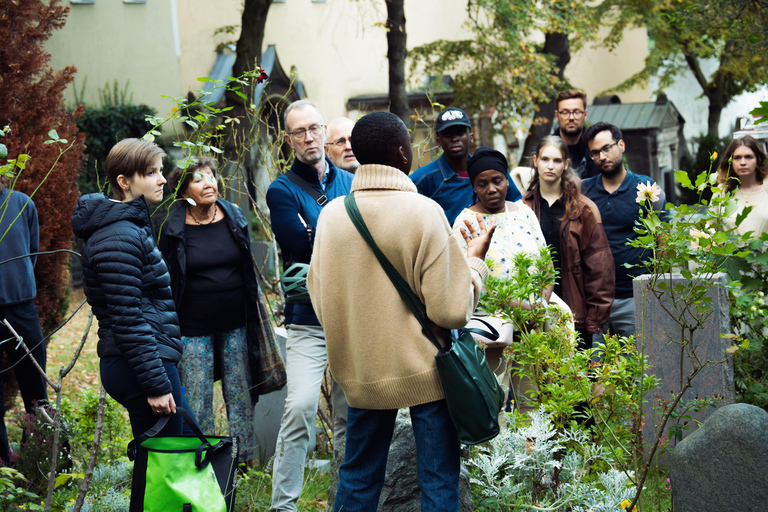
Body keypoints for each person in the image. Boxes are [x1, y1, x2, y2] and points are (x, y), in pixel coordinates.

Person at [307, 111, 495, 512]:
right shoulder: (424, 212)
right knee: (438, 481)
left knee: (358, 479)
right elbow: (450, 311)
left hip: (362, 371)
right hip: (426, 372)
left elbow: (320, 299)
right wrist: (475, 264)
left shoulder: (332, 215)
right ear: (402, 152)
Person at [71, 138, 196, 438]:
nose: (162, 179)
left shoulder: (129, 227)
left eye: (161, 170)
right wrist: (155, 385)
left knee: (180, 450)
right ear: (124, 182)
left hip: (143, 359)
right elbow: (127, 317)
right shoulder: (118, 238)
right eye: (151, 172)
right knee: (169, 458)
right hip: (138, 364)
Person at [158, 157, 276, 463]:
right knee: (198, 400)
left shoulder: (234, 215)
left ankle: (244, 460)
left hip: (236, 324)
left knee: (240, 396)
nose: (208, 183)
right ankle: (206, 462)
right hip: (193, 328)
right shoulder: (172, 226)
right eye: (197, 179)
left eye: (210, 176)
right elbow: (168, 279)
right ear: (184, 191)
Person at [266, 100, 352, 512]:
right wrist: (339, 232)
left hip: (353, 316)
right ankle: (283, 506)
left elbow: (363, 240)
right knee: (299, 407)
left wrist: (316, 228)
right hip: (307, 319)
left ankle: (348, 500)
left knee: (351, 415)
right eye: (299, 132)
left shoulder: (352, 181)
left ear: (324, 130)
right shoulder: (281, 190)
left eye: (314, 128)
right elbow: (297, 245)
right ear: (289, 140)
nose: (309, 137)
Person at [523, 136, 615, 349]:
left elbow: (600, 268)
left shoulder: (583, 209)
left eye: (557, 160)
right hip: (533, 315)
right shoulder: (523, 208)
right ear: (535, 161)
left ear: (565, 164)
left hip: (575, 314)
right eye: (545, 159)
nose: (550, 166)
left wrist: (594, 319)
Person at [581, 122, 666, 339]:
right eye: (595, 152)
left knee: (638, 359)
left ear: (621, 145)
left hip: (636, 296)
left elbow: (663, 240)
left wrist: (657, 288)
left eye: (607, 148)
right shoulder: (584, 191)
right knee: (598, 360)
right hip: (596, 300)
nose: (602, 156)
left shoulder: (646, 188)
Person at [0, 177, 48, 464]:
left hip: (21, 309)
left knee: (36, 391)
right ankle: (3, 465)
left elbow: (31, 253)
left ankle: (38, 462)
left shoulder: (21, 203)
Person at [409, 106, 521, 225]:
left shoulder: (491, 169)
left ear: (471, 137)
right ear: (438, 140)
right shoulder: (424, 179)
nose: (454, 139)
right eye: (447, 134)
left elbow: (518, 208)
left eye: (460, 133)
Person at [716, 135, 768, 236]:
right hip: (731, 246)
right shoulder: (721, 191)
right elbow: (708, 228)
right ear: (730, 161)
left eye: (748, 157)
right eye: (737, 158)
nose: (743, 162)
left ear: (758, 159)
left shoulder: (766, 189)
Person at [552, 89, 598, 180]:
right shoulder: (543, 151)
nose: (571, 117)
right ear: (557, 116)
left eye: (577, 112)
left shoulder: (597, 149)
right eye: (565, 112)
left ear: (585, 115)